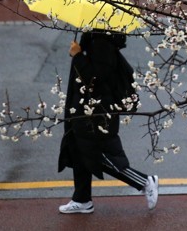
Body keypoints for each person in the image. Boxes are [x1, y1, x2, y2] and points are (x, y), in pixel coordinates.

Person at [58, 29, 158, 214]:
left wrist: (78, 55)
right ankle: (82, 200)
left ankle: (145, 181)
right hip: (84, 110)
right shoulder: (95, 38)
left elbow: (95, 78)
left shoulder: (101, 43)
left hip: (96, 114)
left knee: (97, 155)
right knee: (78, 151)